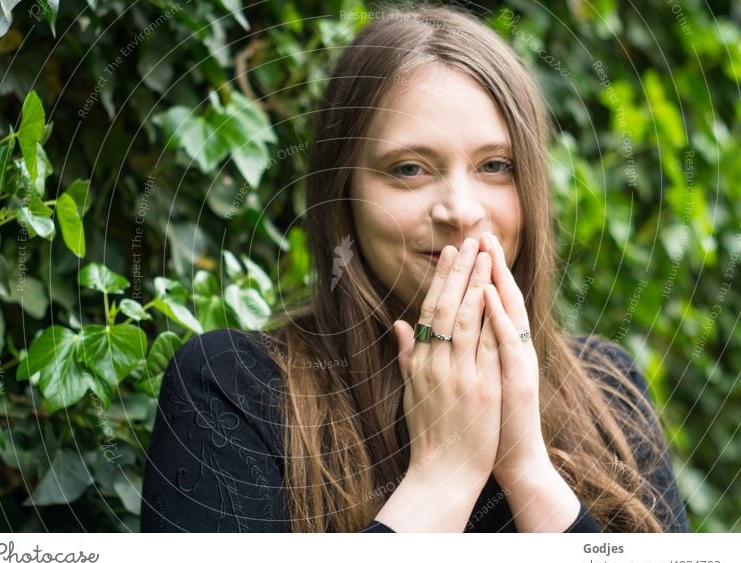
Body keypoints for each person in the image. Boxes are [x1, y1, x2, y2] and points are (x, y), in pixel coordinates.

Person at [140, 4, 689, 533]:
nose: (462, 211)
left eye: (495, 166)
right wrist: (443, 479)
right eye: (408, 169)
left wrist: (528, 471)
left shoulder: (607, 391)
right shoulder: (232, 388)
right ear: (343, 192)